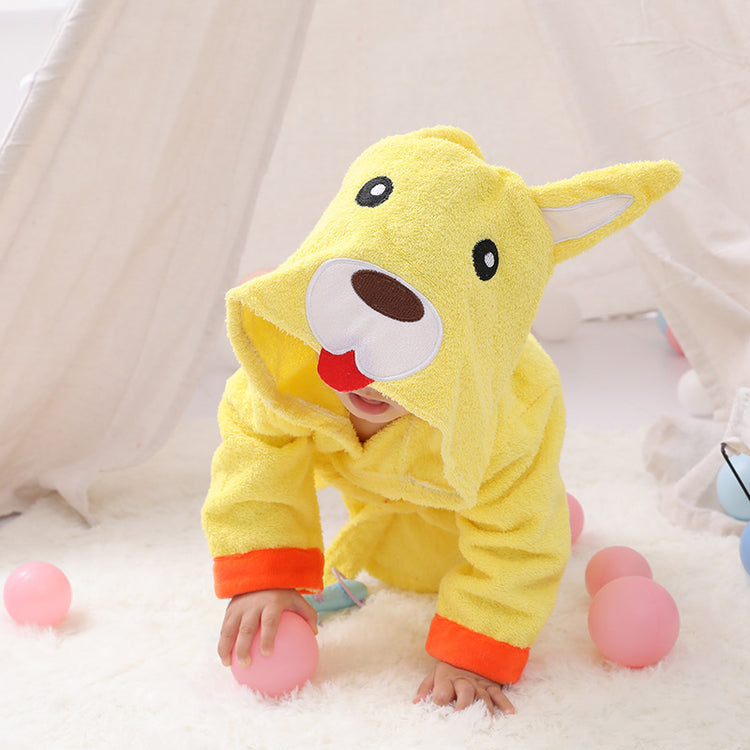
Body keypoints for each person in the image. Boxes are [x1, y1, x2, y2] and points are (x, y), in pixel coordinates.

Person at [201, 126, 680, 713]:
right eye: (355, 338)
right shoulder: (289, 370)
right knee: (393, 553)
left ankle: (541, 508)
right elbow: (254, 461)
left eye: (405, 369)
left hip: (457, 501)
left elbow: (521, 539)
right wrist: (267, 573)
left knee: (519, 517)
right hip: (384, 506)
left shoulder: (508, 421)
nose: (367, 378)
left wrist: (475, 649)